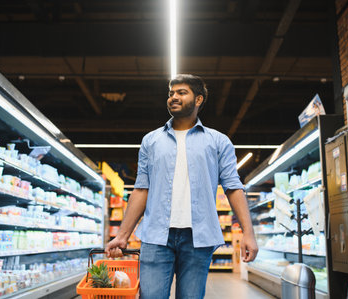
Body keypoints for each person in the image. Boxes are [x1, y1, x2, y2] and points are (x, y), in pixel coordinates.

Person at [105, 74, 258, 299]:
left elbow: (233, 188)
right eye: (171, 93)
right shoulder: (151, 141)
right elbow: (141, 189)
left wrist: (248, 233)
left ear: (198, 100)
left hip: (199, 238)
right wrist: (122, 235)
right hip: (156, 237)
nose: (173, 97)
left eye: (181, 92)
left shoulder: (218, 141)